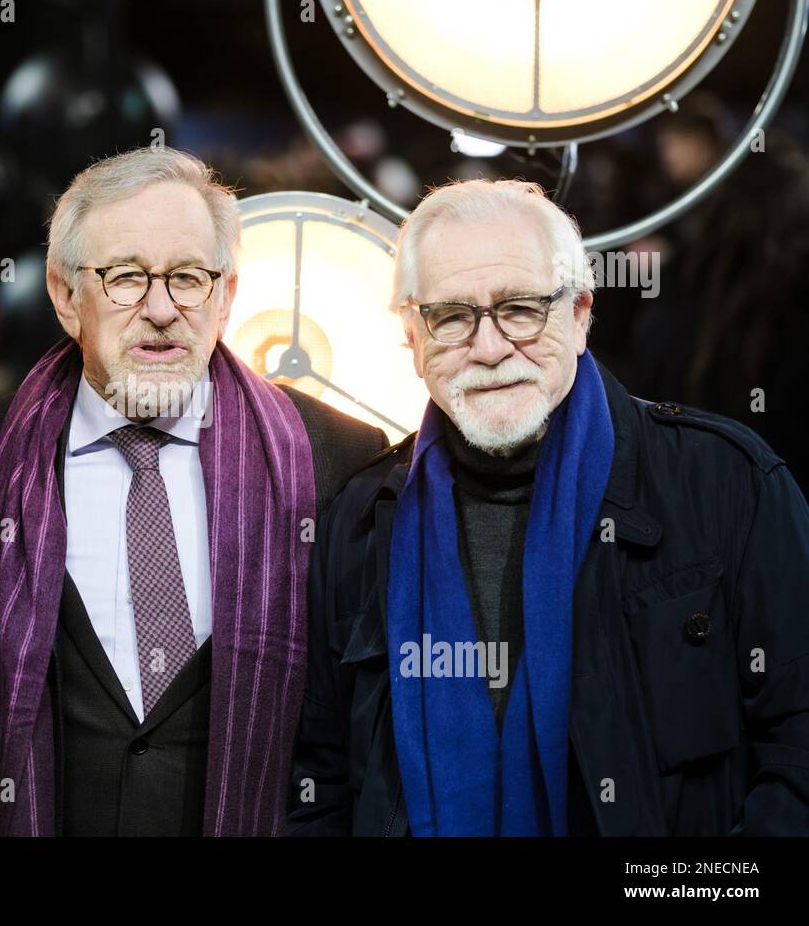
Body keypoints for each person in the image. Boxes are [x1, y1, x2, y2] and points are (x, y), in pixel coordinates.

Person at [289, 178, 809, 836]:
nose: (489, 346)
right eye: (451, 316)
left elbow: (797, 749)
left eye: (521, 309)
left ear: (581, 313)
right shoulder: (358, 522)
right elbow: (320, 778)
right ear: (412, 340)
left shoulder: (728, 483)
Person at [0, 147, 386, 836]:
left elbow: (358, 748)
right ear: (68, 297)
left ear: (226, 296)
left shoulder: (340, 463)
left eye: (188, 277)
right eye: (126, 278)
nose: (161, 310)